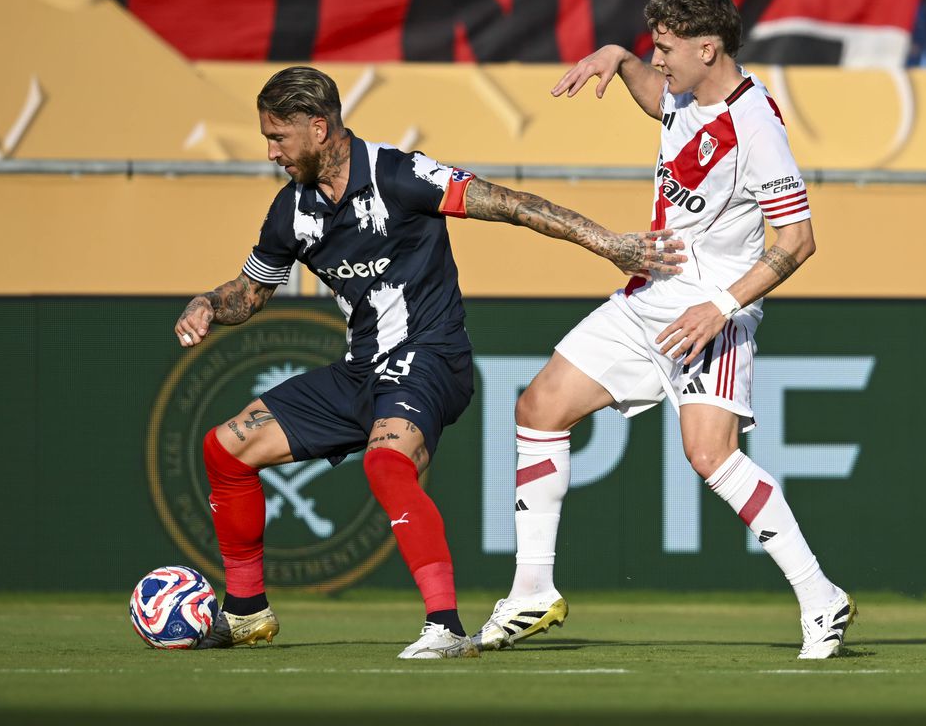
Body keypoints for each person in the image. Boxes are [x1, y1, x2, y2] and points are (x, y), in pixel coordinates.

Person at [172, 66, 685, 659]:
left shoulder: (399, 174)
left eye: (278, 138)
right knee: (226, 448)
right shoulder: (291, 211)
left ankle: (446, 627)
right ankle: (245, 612)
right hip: (360, 371)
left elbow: (513, 205)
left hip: (431, 357)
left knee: (386, 463)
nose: (271, 153)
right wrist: (209, 303)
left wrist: (610, 244)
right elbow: (252, 291)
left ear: (318, 128)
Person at [473, 0, 854, 660]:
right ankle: (531, 589)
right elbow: (657, 97)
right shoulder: (684, 93)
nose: (659, 60)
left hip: (708, 314)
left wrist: (722, 307)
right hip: (646, 299)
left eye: (665, 48)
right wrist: (619, 58)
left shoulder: (754, 125)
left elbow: (798, 241)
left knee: (710, 456)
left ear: (708, 49)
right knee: (539, 407)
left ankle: (821, 598)